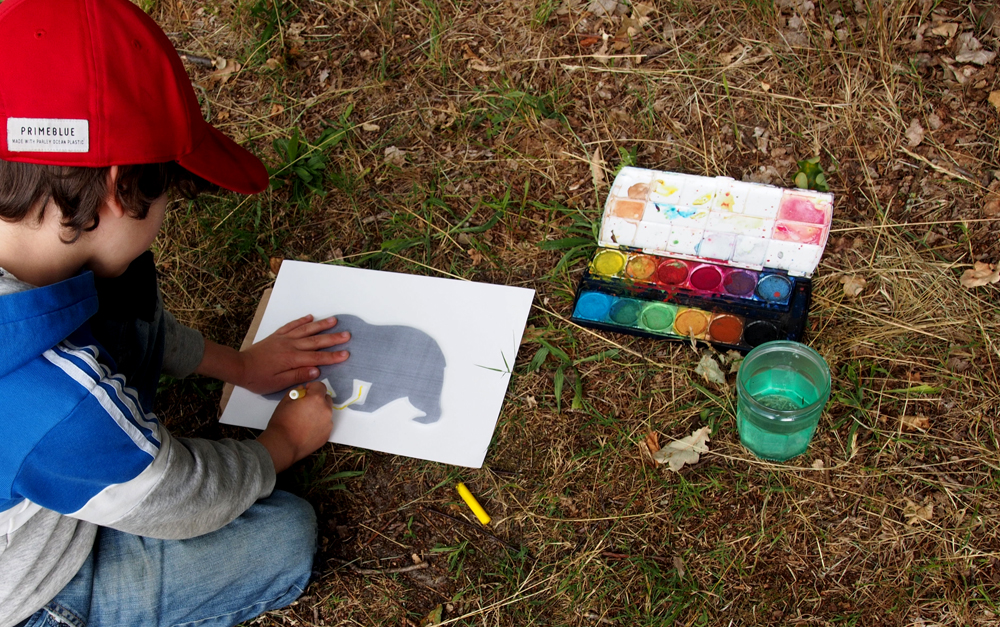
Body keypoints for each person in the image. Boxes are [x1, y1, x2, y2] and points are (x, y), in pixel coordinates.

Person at [0, 0, 351, 625]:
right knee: (283, 537)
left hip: (42, 461)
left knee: (119, 277)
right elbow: (176, 495)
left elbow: (128, 322)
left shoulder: (38, 275)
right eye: (169, 193)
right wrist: (279, 447)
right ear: (119, 187)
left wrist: (239, 366)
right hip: (27, 586)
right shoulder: (56, 399)